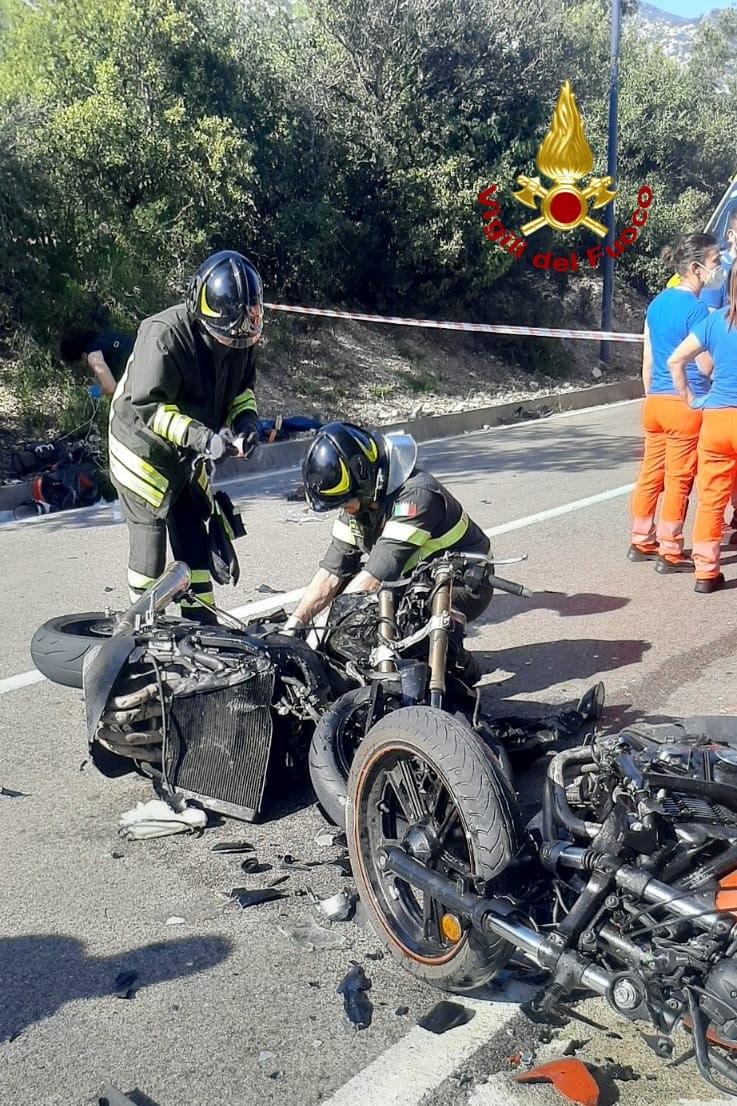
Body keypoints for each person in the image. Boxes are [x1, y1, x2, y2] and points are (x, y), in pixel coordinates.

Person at [108, 249, 262, 620]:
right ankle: (141, 634)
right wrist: (204, 440)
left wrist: (247, 424)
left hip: (186, 455)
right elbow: (150, 408)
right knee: (150, 551)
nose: (235, 343)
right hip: (142, 452)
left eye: (243, 334)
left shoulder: (239, 335)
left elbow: (242, 390)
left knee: (193, 537)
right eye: (229, 336)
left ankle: (203, 628)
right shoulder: (163, 335)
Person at [283, 422, 493, 636]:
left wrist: (323, 633)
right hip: (411, 576)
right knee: (351, 599)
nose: (344, 509)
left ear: (364, 481)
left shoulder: (417, 496)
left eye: (345, 502)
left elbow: (377, 574)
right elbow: (331, 573)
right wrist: (294, 625)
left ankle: (459, 660)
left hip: (463, 582)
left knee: (395, 619)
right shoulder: (361, 501)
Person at [629, 233, 719, 573]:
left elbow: (648, 357)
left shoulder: (657, 304)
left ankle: (641, 539)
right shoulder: (697, 309)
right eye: (714, 262)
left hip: (655, 403)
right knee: (679, 479)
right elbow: (704, 364)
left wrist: (651, 393)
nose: (719, 268)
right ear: (696, 268)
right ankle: (670, 549)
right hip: (685, 402)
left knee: (650, 474)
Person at [668, 264, 737, 594]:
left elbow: (675, 360)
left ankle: (706, 572)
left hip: (716, 419)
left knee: (711, 498)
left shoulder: (715, 320)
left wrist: (691, 399)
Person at [59, 327, 135, 396]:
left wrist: (94, 391)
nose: (84, 365)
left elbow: (111, 388)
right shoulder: (101, 337)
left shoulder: (93, 356)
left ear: (80, 355)